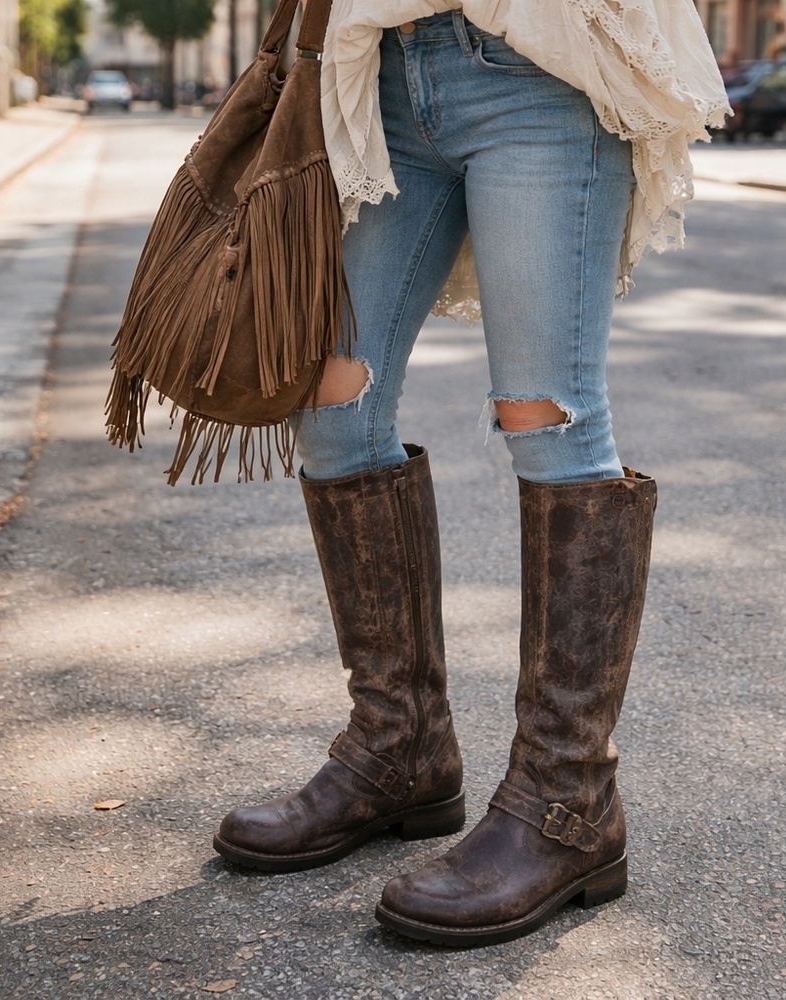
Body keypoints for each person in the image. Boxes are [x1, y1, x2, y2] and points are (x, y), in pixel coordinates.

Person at [213, 0, 728, 947]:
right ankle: (396, 749)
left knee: (545, 410)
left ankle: (566, 802)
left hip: (542, 69)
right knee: (330, 401)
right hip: (382, 73)